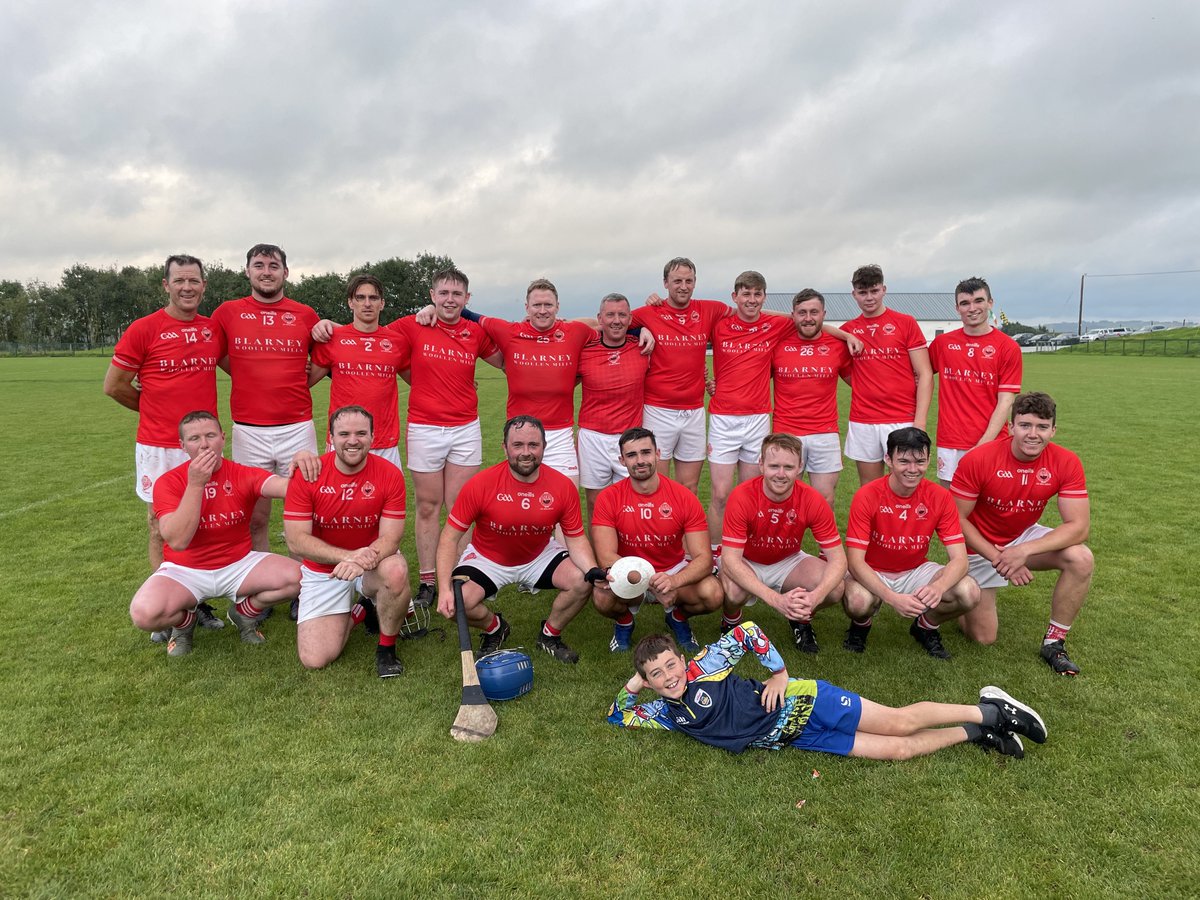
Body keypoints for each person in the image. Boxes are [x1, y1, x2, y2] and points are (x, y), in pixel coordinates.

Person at [607, 623, 1046, 760]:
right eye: (656, 675)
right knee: (898, 751)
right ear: (648, 682)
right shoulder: (665, 713)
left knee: (898, 720)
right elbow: (616, 713)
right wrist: (634, 683)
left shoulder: (702, 667)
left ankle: (990, 710)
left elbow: (746, 630)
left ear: (682, 660)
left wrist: (778, 673)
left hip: (804, 700)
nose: (668, 677)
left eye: (670, 665)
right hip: (799, 737)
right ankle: (979, 735)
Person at [104, 254, 227, 639]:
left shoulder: (212, 330)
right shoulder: (144, 329)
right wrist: (153, 409)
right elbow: (114, 385)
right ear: (166, 285)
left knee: (204, 520)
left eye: (194, 280)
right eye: (180, 280)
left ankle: (198, 602)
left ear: (204, 286)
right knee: (161, 525)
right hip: (158, 445)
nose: (187, 287)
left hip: (203, 445)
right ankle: (167, 606)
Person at [128, 412, 303, 656]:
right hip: (185, 570)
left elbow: (287, 488)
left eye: (211, 435)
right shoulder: (169, 482)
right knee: (144, 614)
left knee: (301, 578)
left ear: (223, 438)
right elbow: (177, 541)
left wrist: (303, 464)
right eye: (194, 438)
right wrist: (196, 484)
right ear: (182, 445)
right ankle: (184, 624)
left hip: (238, 564)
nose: (204, 444)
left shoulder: (241, 473)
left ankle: (243, 613)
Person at [435, 415, 606, 663]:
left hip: (538, 555)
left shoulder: (562, 486)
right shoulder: (480, 484)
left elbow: (575, 537)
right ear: (505, 448)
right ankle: (495, 627)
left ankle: (549, 635)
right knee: (456, 604)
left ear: (544, 447)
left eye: (533, 445)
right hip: (488, 558)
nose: (526, 453)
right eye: (518, 445)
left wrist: (591, 569)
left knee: (581, 581)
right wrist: (443, 589)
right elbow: (449, 539)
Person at [951, 392, 1093, 675]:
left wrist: (1023, 551)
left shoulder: (1066, 461)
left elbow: (1079, 526)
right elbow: (954, 519)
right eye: (1025, 425)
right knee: (983, 638)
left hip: (1022, 536)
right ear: (1011, 426)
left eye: (1042, 427)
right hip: (979, 545)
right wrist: (999, 557)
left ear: (1053, 429)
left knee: (1081, 558)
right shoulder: (979, 458)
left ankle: (1054, 642)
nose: (1033, 434)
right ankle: (957, 594)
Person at [284, 406, 412, 678]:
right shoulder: (309, 473)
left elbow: (391, 537)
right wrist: (348, 557)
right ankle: (362, 610)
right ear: (330, 437)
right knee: (314, 659)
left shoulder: (389, 473)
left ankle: (386, 648)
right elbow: (296, 541)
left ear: (373, 437)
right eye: (344, 433)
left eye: (360, 433)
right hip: (325, 568)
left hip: (371, 561)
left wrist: (361, 559)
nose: (353, 440)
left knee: (396, 571)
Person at [210, 243, 319, 553]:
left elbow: (326, 357)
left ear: (285, 272)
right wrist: (246, 375)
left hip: (297, 428)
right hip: (249, 430)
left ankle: (304, 589)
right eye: (259, 265)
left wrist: (296, 380)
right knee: (255, 516)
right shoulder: (227, 312)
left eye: (273, 266)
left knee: (304, 514)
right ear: (247, 271)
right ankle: (260, 588)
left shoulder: (305, 314)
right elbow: (214, 354)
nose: (266, 272)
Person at [843, 428, 981, 658]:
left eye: (920, 461)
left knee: (969, 592)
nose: (912, 469)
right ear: (888, 459)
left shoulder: (940, 496)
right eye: (904, 461)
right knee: (858, 602)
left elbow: (960, 560)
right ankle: (861, 624)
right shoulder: (867, 495)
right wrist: (892, 598)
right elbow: (855, 562)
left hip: (915, 570)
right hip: (872, 570)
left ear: (929, 460)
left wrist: (938, 587)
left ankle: (925, 626)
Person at [590, 428, 723, 653]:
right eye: (631, 455)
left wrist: (674, 581)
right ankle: (624, 620)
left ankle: (677, 617)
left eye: (646, 452)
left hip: (672, 570)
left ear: (657, 454)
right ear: (622, 460)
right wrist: (648, 581)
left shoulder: (683, 497)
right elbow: (605, 556)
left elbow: (704, 559)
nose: (640, 460)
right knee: (601, 597)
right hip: (629, 572)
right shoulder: (608, 498)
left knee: (713, 594)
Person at [719, 433, 849, 654]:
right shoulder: (742, 495)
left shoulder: (812, 499)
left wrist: (814, 598)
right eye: (774, 466)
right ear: (761, 465)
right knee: (733, 591)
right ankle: (731, 622)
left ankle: (801, 618)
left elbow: (839, 560)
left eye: (788, 467)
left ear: (800, 467)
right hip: (747, 559)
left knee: (835, 589)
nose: (781, 474)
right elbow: (731, 560)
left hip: (788, 560)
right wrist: (775, 600)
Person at [704, 271, 796, 559]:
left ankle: (744, 552)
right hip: (723, 419)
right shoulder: (719, 325)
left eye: (757, 295)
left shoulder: (774, 325)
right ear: (735, 297)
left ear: (764, 297)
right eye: (746, 294)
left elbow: (808, 319)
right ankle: (715, 553)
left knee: (751, 493)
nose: (752, 300)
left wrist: (844, 333)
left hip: (757, 420)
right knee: (720, 494)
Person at [630, 258, 730, 494]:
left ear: (695, 282)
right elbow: (610, 320)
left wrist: (794, 316)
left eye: (689, 281)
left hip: (694, 411)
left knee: (689, 487)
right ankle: (658, 531)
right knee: (657, 484)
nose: (683, 286)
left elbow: (750, 312)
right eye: (677, 281)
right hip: (658, 411)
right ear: (665, 283)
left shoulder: (710, 309)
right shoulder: (649, 312)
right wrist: (639, 328)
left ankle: (686, 532)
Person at [842, 264, 933, 486]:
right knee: (870, 486)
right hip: (864, 420)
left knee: (906, 484)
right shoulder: (848, 330)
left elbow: (925, 373)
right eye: (863, 293)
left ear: (884, 289)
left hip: (902, 418)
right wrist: (867, 387)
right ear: (854, 294)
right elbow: (844, 371)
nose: (869, 298)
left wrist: (919, 422)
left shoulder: (905, 323)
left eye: (874, 291)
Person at [928, 277, 1023, 485]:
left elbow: (1005, 402)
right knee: (952, 510)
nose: (972, 308)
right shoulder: (942, 344)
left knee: (991, 508)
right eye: (965, 303)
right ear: (957, 308)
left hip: (992, 443)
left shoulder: (1007, 347)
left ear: (990, 303)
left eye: (979, 301)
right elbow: (919, 377)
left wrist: (983, 444)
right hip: (950, 442)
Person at [307, 275, 407, 467]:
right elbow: (305, 383)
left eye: (373, 298)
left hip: (385, 442)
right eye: (360, 298)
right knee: (339, 497)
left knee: (388, 496)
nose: (367, 303)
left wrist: (459, 380)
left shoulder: (398, 342)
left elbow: (420, 380)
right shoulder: (333, 339)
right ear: (350, 303)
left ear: (382, 303)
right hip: (343, 440)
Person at [771, 288, 853, 506]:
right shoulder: (778, 343)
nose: (808, 318)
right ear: (793, 315)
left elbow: (859, 384)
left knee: (823, 499)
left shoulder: (837, 346)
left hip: (824, 434)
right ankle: (785, 541)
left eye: (814, 312)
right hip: (785, 431)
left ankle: (825, 541)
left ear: (824, 314)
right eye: (802, 312)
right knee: (782, 497)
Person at [577, 293, 650, 520]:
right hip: (593, 437)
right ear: (600, 318)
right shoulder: (585, 349)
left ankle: (630, 556)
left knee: (630, 504)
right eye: (610, 315)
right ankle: (601, 556)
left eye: (622, 315)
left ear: (631, 319)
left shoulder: (643, 347)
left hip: (629, 438)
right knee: (596, 503)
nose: (616, 320)